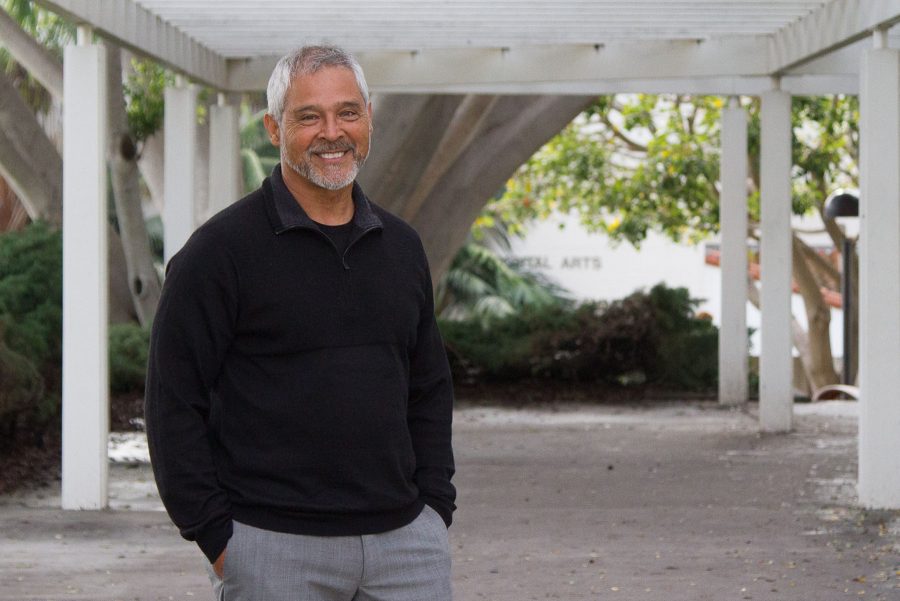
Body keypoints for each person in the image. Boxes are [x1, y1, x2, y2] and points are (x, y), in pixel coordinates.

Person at [145, 45, 456, 601]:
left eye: (348, 113)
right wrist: (216, 535)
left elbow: (428, 386)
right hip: (271, 548)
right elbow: (173, 403)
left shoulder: (403, 248)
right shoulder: (217, 254)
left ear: (369, 120)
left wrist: (434, 507)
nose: (332, 132)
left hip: (406, 548)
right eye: (308, 116)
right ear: (273, 128)